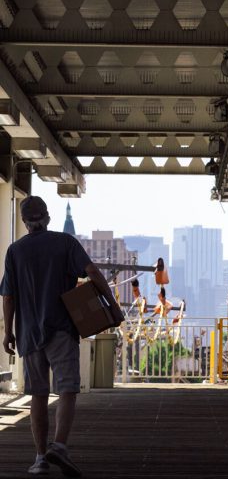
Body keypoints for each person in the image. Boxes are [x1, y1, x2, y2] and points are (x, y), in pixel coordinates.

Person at [1, 196, 117, 477]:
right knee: (67, 389)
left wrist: (8, 332)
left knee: (38, 395)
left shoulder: (15, 251)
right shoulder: (65, 243)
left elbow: (8, 295)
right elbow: (91, 272)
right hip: (62, 329)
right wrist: (110, 304)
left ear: (25, 222)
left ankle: (40, 458)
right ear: (48, 218)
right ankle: (60, 446)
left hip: (29, 334)